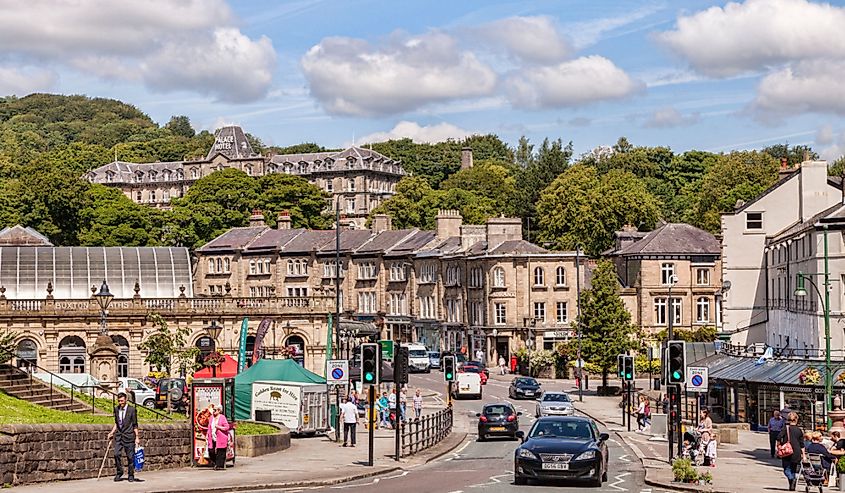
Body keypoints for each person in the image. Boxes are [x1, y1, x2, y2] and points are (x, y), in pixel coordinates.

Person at [108, 392, 141, 482]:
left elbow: (135, 424)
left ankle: (131, 474)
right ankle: (119, 472)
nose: (120, 403)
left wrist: (137, 437)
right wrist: (112, 432)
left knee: (130, 457)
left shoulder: (132, 410)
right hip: (119, 436)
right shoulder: (116, 409)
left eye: (122, 401)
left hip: (129, 436)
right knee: (116, 454)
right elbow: (117, 423)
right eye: (119, 401)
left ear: (126, 400)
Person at [777, 411, 806, 491]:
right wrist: (803, 455)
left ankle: (792, 479)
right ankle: (792, 486)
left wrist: (779, 445)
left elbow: (778, 437)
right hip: (796, 451)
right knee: (793, 468)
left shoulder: (785, 429)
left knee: (786, 469)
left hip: (787, 451)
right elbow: (802, 444)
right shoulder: (799, 430)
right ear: (796, 420)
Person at [206, 404, 232, 470]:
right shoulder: (211, 417)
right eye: (213, 410)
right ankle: (216, 463)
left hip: (221, 437)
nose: (213, 411)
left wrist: (219, 427)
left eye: (215, 410)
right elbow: (209, 427)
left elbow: (227, 427)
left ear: (219, 411)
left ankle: (219, 466)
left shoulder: (222, 417)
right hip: (212, 436)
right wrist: (207, 435)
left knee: (221, 451)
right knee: (211, 451)